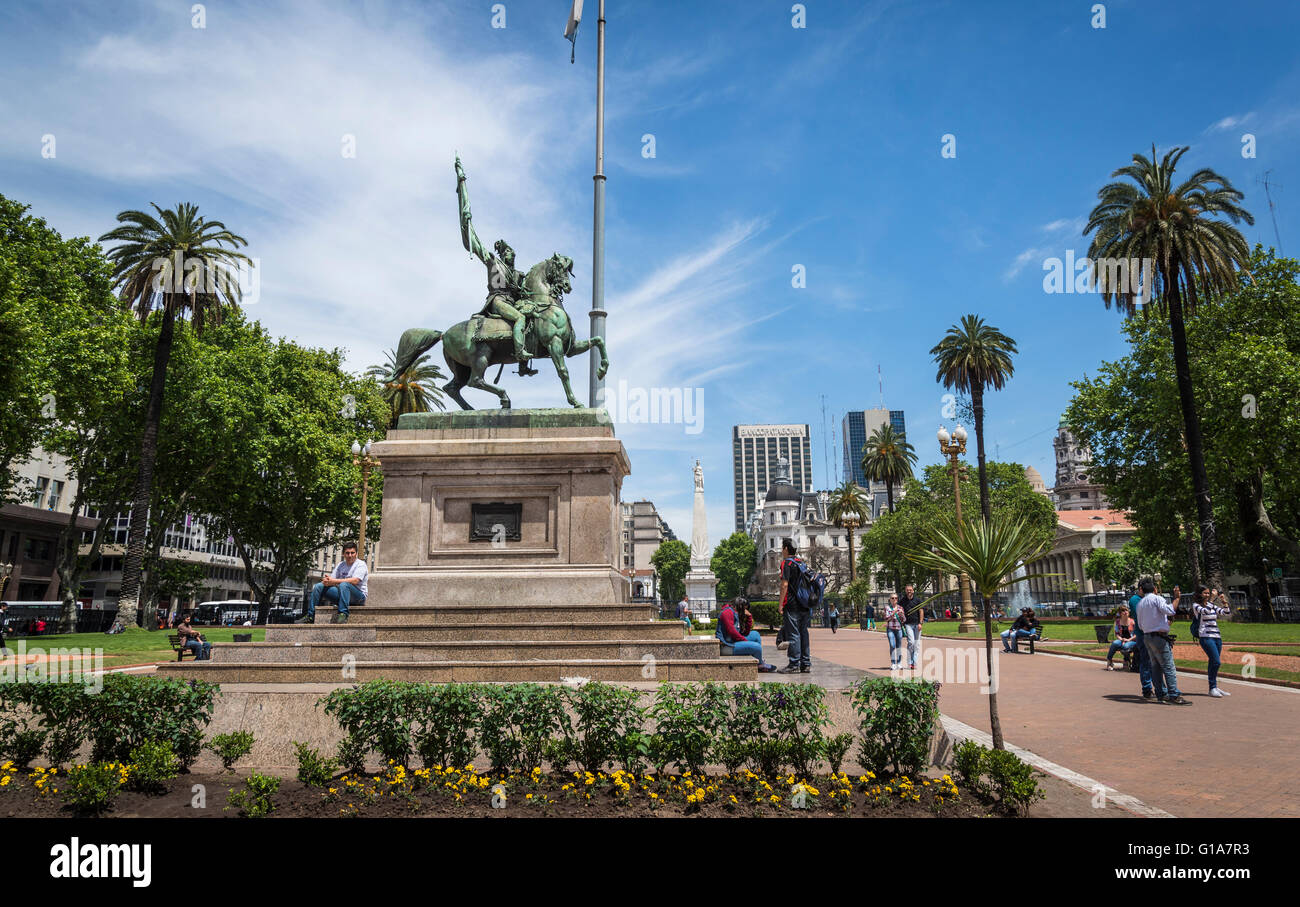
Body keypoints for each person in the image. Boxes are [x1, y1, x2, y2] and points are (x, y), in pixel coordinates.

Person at [1136, 578, 1189, 705]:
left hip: (1147, 636)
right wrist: (1176, 598)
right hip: (1159, 636)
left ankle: (1161, 693)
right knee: (1168, 666)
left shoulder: (1140, 604)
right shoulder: (1157, 598)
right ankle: (1174, 695)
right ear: (1155, 589)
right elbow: (1170, 610)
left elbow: (1140, 625)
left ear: (1142, 590)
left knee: (1155, 667)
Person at [298, 541, 369, 624]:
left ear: (356, 553)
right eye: (347, 553)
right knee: (318, 586)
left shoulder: (361, 564)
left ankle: (343, 614)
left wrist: (334, 581)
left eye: (352, 553)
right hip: (342, 595)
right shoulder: (340, 565)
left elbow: (355, 581)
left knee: (344, 584)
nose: (350, 555)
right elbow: (331, 579)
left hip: (358, 597)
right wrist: (327, 581)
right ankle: (310, 616)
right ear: (343, 554)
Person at [777, 538, 811, 674]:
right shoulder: (801, 563)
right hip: (805, 603)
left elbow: (784, 585)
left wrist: (780, 604)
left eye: (782, 547)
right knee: (804, 633)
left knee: (793, 634)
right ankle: (806, 663)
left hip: (792, 604)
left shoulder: (786, 563)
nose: (781, 550)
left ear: (786, 549)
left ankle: (793, 663)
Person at [1192, 586, 1233, 698]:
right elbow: (1205, 611)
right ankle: (1212, 688)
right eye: (1205, 593)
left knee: (1213, 662)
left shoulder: (1212, 605)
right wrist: (1212, 599)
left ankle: (1214, 687)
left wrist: (1224, 601)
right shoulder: (1196, 606)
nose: (1207, 595)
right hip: (1205, 637)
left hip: (1216, 636)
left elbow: (1226, 613)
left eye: (1208, 593)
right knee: (1216, 662)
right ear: (1200, 594)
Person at [717, 597, 777, 673]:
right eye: (744, 609)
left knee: (755, 635)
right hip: (726, 646)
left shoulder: (734, 612)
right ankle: (760, 664)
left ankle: (759, 660)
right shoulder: (727, 612)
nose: (745, 611)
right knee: (756, 647)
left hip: (732, 641)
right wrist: (745, 641)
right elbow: (732, 631)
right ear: (740, 606)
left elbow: (745, 633)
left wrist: (749, 617)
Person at [1130, 582, 1155, 697]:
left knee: (1154, 662)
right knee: (1146, 661)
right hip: (1142, 634)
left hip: (1152, 633)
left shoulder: (1146, 599)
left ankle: (1157, 687)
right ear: (1141, 588)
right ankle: (1147, 689)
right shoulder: (1135, 600)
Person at [1105, 605, 1139, 670]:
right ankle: (1109, 661)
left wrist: (1128, 640)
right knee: (1115, 643)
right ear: (1120, 613)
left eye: (1126, 610)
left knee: (1125, 646)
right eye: (1123, 611)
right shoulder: (1117, 622)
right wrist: (1122, 640)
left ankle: (1126, 661)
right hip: (1122, 640)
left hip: (1132, 640)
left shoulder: (1133, 621)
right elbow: (1117, 634)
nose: (1125, 612)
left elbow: (1136, 634)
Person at [899, 584, 924, 669]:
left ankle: (915, 662)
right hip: (908, 624)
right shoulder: (902, 601)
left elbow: (921, 611)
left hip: (917, 624)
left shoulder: (918, 600)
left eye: (910, 590)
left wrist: (920, 623)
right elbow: (899, 611)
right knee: (911, 642)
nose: (909, 591)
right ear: (905, 591)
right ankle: (909, 661)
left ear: (913, 590)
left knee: (917, 644)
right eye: (907, 590)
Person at [883, 593, 906, 669]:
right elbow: (886, 619)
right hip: (890, 629)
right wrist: (893, 613)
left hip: (899, 629)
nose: (894, 599)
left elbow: (904, 620)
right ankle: (893, 663)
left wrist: (902, 615)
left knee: (898, 646)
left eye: (896, 598)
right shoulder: (887, 608)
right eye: (892, 598)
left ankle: (899, 663)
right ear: (890, 599)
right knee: (892, 645)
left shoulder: (900, 607)